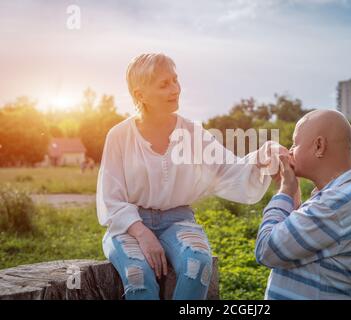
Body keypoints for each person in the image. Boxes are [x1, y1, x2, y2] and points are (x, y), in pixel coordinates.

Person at [97, 53, 285, 300]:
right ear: (140, 94)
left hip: (178, 220)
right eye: (164, 84)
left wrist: (263, 155)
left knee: (198, 266)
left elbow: (228, 169)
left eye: (175, 80)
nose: (175, 89)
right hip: (128, 226)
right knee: (138, 276)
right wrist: (143, 233)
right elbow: (111, 198)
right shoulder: (119, 136)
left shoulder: (191, 132)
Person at [255, 109, 351, 300]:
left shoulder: (336, 204)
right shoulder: (349, 192)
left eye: (294, 143)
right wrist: (293, 190)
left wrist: (284, 191)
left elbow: (266, 250)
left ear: (319, 146)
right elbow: (298, 238)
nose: (290, 151)